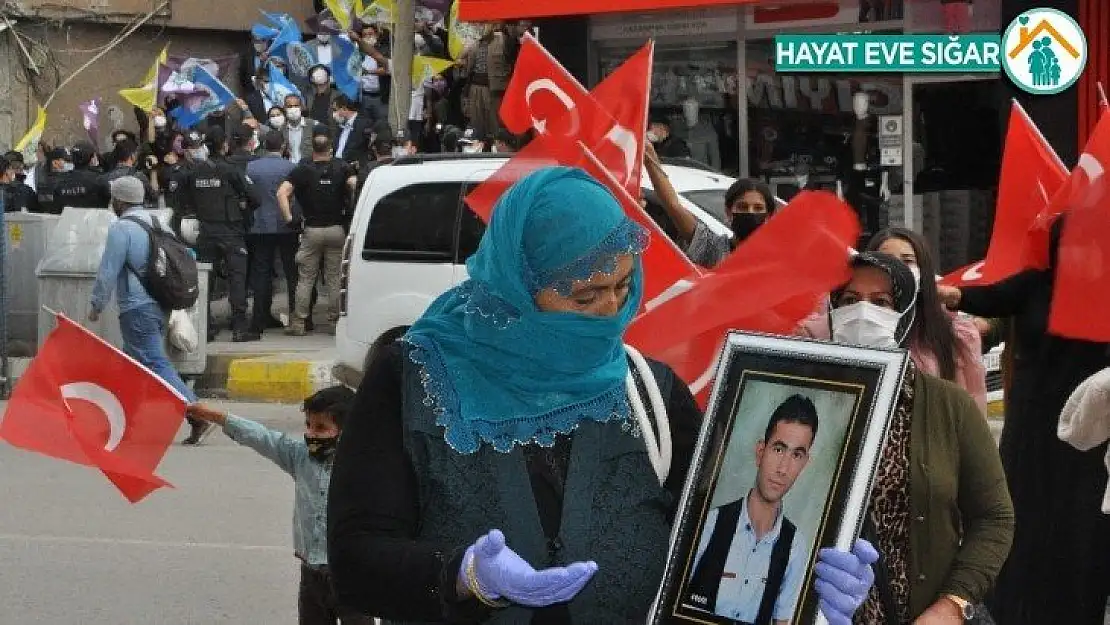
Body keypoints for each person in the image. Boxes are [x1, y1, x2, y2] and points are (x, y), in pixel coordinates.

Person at [326, 166, 877, 624]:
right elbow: (356, 558)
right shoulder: (413, 378)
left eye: (623, 286)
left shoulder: (652, 392)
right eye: (586, 294)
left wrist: (809, 587)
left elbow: (715, 551)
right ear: (518, 283)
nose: (611, 311)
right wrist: (464, 576)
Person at [937, 216, 1110, 625]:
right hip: (1033, 430)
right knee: (1024, 527)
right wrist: (933, 290)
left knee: (1081, 537)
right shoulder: (1035, 283)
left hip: (1090, 436)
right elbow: (978, 297)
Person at [824, 251, 1014, 623]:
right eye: (849, 300)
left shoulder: (948, 405)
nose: (862, 313)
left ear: (908, 313)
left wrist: (953, 605)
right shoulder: (803, 395)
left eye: (881, 303)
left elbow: (994, 517)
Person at [185, 386, 374, 625]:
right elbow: (263, 437)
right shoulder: (300, 457)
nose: (311, 434)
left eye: (321, 428)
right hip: (311, 576)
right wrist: (216, 417)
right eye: (308, 425)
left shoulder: (364, 467)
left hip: (351, 576)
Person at [88, 177, 209, 444]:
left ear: (119, 200)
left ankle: (197, 412)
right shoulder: (159, 223)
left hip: (137, 306)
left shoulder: (122, 229)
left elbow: (108, 271)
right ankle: (122, 424)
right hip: (161, 303)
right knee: (130, 367)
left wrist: (96, 304)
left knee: (154, 362)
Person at [686, 395, 819, 624]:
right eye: (778, 449)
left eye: (796, 455)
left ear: (804, 463)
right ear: (760, 452)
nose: (783, 468)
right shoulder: (709, 524)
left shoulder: (796, 547)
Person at [182, 128, 259, 343]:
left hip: (205, 232)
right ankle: (239, 328)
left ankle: (204, 327)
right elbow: (255, 197)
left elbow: (184, 201)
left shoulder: (193, 173)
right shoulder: (231, 170)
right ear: (224, 145)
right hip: (231, 232)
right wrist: (242, 207)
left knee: (205, 280)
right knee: (237, 278)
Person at [644, 143, 775, 268]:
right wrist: (650, 159)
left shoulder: (779, 258)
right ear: (728, 211)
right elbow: (673, 205)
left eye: (758, 208)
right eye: (742, 207)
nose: (750, 213)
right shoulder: (713, 249)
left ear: (769, 216)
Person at [278, 134, 356, 336]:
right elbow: (355, 184)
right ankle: (335, 322)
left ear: (312, 149)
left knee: (305, 278)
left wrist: (289, 218)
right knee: (335, 278)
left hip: (311, 230)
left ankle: (299, 322)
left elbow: (282, 193)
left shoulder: (303, 170)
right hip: (337, 229)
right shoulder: (342, 167)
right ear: (330, 148)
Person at [247, 131, 299, 335]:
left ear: (263, 145)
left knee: (261, 273)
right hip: (286, 226)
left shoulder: (251, 168)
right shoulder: (291, 168)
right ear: (283, 145)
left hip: (259, 226)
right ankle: (298, 316)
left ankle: (259, 318)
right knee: (291, 272)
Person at [98, 139, 154, 206]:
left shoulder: (104, 178)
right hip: (134, 213)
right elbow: (152, 197)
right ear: (132, 156)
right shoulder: (139, 176)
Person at [54, 142, 107, 211]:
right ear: (92, 158)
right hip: (92, 220)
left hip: (68, 220)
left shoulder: (59, 180)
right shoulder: (99, 179)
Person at [331, 95, 372, 166]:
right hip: (335, 165)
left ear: (344, 108)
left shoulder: (364, 124)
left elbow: (367, 149)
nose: (333, 114)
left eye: (335, 110)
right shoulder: (339, 124)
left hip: (352, 167)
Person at [34, 147, 69, 214]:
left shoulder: (64, 179)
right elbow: (47, 206)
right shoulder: (46, 184)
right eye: (63, 160)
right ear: (54, 162)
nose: (65, 163)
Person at [283, 94, 316, 163]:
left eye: (296, 106)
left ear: (301, 107)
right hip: (290, 167)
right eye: (289, 106)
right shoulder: (282, 128)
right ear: (284, 108)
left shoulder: (312, 125)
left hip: (308, 167)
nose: (293, 109)